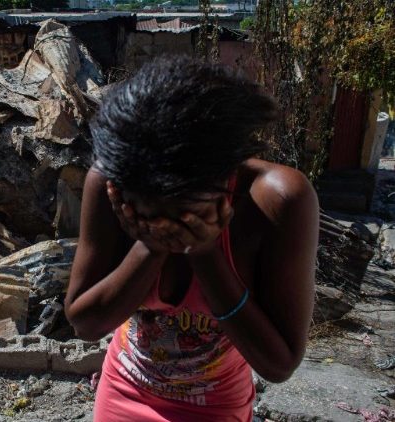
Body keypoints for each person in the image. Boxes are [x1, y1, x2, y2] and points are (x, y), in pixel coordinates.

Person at [64, 56, 319, 421]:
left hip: (215, 406)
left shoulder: (277, 200)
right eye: (145, 214)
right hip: (123, 391)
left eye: (173, 212)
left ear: (222, 178)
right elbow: (85, 324)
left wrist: (205, 251)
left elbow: (278, 365)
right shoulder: (114, 181)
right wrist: (150, 246)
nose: (159, 222)